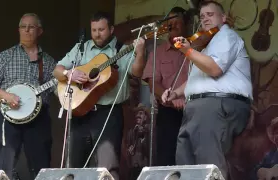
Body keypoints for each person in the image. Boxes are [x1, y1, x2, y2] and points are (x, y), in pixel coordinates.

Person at [162, 1, 252, 179]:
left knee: (207, 163)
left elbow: (215, 69)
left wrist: (188, 51)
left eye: (210, 15)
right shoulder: (204, 45)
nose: (205, 19)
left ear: (223, 17)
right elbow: (196, 81)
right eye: (202, 17)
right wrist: (175, 93)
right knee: (185, 162)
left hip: (217, 104)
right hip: (199, 107)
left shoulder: (227, 36)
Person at [53, 11, 146, 180]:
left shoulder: (122, 50)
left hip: (109, 113)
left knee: (108, 167)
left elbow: (137, 73)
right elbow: (57, 70)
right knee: (74, 166)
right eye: (94, 30)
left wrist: (140, 52)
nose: (97, 34)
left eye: (101, 29)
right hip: (80, 113)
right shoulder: (82, 47)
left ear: (111, 29)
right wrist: (69, 74)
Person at [0, 13, 56, 180]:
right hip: (8, 117)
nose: (27, 30)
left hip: (39, 119)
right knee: (4, 165)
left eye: (31, 27)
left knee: (41, 167)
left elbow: (58, 89)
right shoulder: (6, 56)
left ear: (40, 31)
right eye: (23, 27)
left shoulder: (49, 61)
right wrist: (6, 95)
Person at [142, 6, 189, 166]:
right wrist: (168, 99)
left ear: (186, 25)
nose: (173, 25)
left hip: (194, 109)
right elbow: (152, 83)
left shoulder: (195, 48)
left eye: (178, 22)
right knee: (166, 157)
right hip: (168, 110)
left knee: (191, 157)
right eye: (170, 22)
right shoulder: (157, 52)